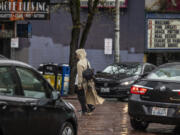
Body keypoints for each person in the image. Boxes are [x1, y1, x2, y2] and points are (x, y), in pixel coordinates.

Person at [75, 49, 104, 115]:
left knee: (80, 97)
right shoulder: (87, 61)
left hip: (81, 82)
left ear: (79, 54)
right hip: (87, 81)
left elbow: (80, 75)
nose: (76, 56)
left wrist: (79, 85)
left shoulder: (79, 63)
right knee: (85, 95)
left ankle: (84, 110)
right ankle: (89, 107)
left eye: (76, 54)